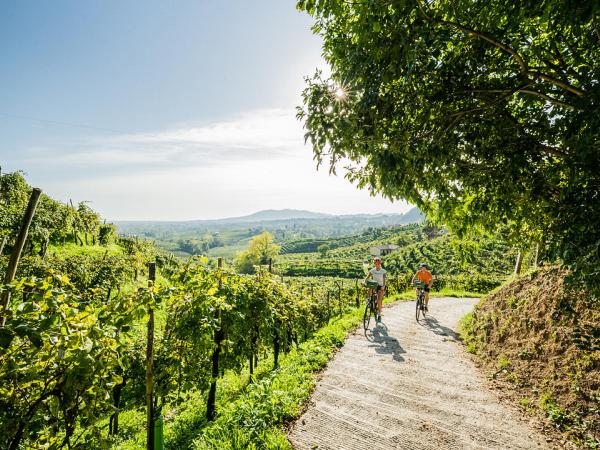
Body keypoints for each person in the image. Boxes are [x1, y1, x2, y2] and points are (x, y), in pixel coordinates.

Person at [365, 256, 387, 322]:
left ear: (380, 263)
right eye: (375, 263)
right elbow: (367, 278)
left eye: (378, 263)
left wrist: (383, 286)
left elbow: (384, 279)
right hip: (374, 285)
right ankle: (369, 301)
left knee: (379, 300)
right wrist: (364, 282)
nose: (377, 264)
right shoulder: (372, 270)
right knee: (369, 289)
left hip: (380, 286)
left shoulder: (383, 271)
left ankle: (379, 314)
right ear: (374, 263)